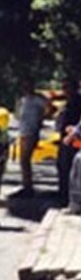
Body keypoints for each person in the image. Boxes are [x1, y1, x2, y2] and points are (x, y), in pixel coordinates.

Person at [15, 82, 48, 195]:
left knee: (25, 159)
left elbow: (50, 107)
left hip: (31, 131)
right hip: (23, 131)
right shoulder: (22, 100)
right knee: (23, 160)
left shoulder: (38, 99)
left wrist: (41, 119)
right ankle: (26, 184)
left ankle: (28, 186)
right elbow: (18, 116)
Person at [57, 79, 80, 207]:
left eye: (67, 87)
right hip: (65, 139)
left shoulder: (77, 102)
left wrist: (73, 130)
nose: (64, 90)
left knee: (70, 170)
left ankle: (69, 198)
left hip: (74, 141)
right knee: (62, 167)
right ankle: (63, 195)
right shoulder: (68, 102)